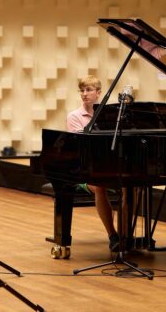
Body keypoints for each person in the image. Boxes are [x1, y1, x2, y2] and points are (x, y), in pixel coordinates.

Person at [66, 75, 124, 252]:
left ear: (98, 93)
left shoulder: (110, 116)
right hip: (84, 170)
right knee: (99, 186)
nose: (84, 94)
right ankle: (113, 235)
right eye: (82, 90)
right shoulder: (74, 116)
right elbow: (80, 147)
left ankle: (126, 234)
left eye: (89, 90)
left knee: (132, 188)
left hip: (108, 166)